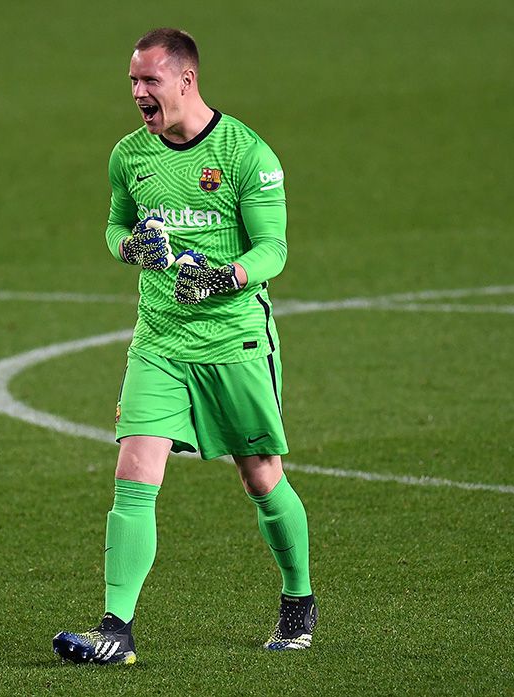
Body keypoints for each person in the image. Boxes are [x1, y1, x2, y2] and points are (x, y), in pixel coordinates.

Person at [51, 27, 315, 666]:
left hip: (234, 340)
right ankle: (117, 629)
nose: (138, 93)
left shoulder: (246, 153)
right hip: (160, 340)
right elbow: (116, 225)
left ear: (186, 80)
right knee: (134, 473)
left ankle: (298, 598)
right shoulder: (130, 156)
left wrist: (228, 276)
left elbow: (273, 248)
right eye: (133, 81)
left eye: (150, 81)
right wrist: (128, 248)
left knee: (260, 477)